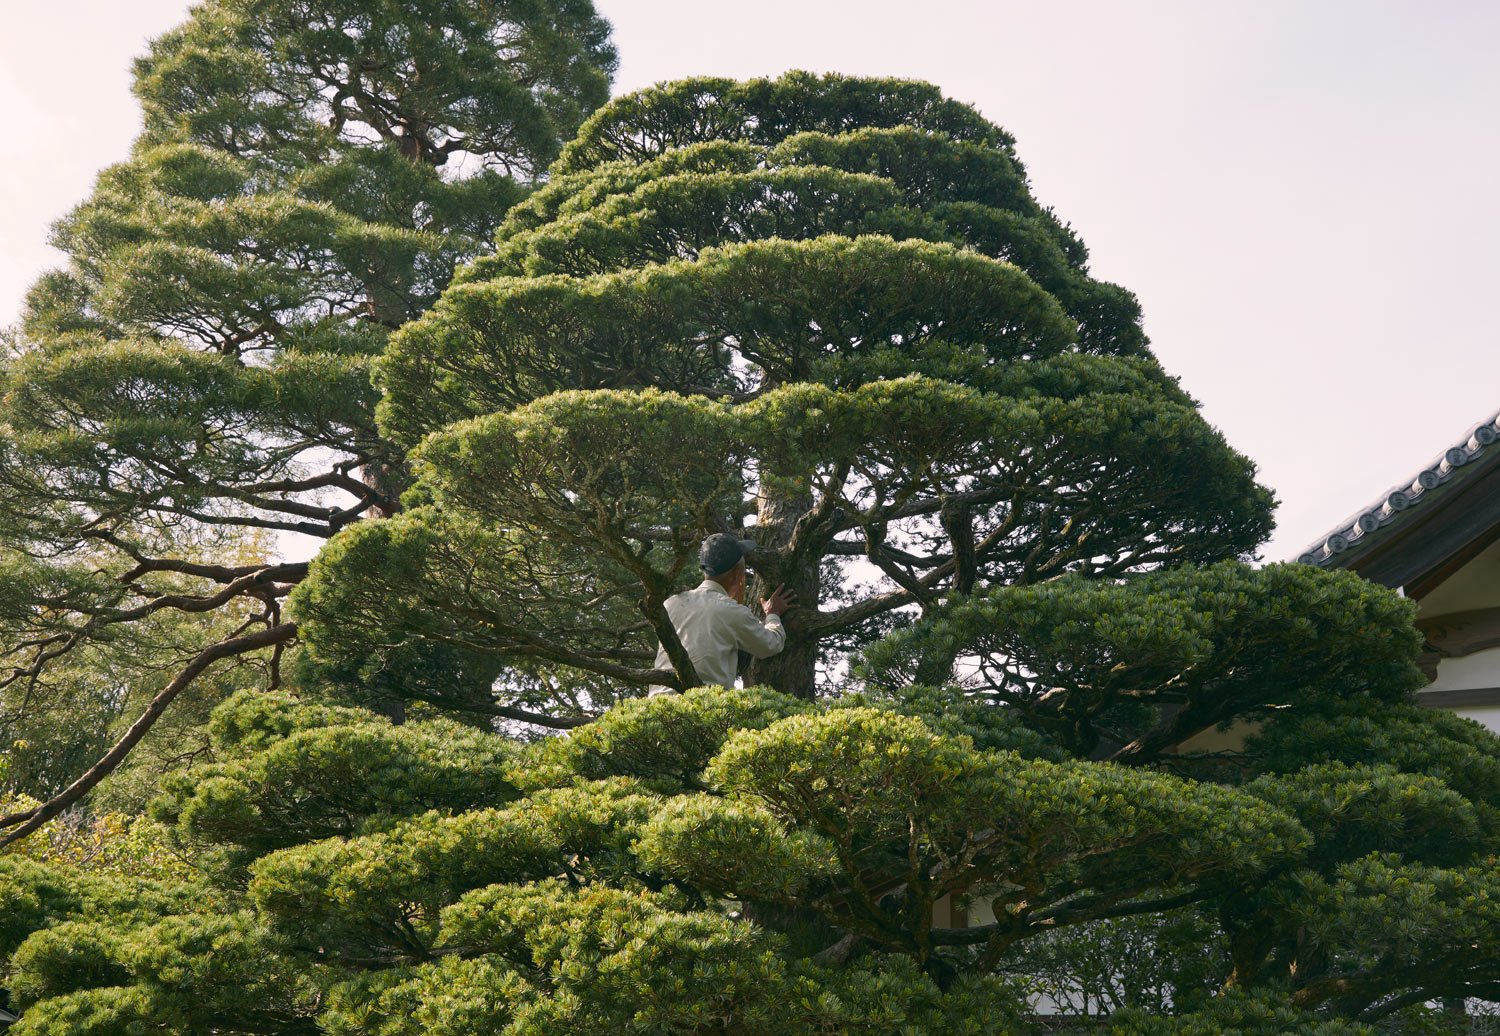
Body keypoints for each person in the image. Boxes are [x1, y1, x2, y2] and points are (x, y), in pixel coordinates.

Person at [649, 533, 796, 694]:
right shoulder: (731, 611)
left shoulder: (671, 603)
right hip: (702, 709)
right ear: (735, 574)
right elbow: (771, 644)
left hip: (658, 704)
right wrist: (772, 613)